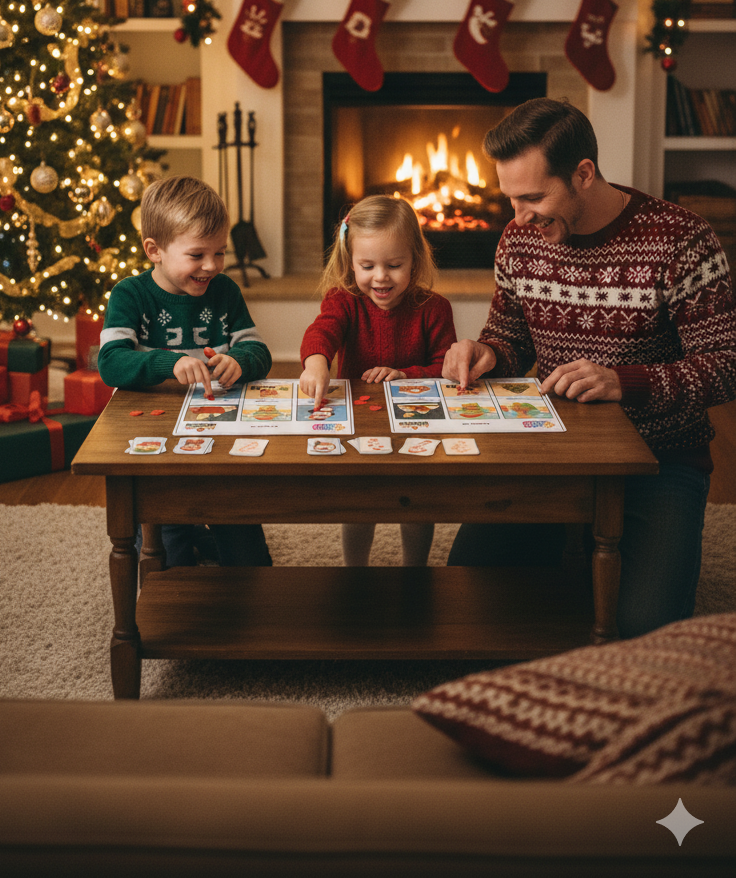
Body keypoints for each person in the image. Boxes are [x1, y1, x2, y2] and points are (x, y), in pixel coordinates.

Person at [442, 97, 736, 636]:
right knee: (468, 591)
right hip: (554, 448)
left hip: (658, 456)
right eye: (510, 198)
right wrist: (486, 352)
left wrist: (623, 382)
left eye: (533, 197)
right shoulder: (519, 237)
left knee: (643, 631)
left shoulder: (682, 239)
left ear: (583, 174)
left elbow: (725, 364)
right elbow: (509, 334)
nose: (519, 217)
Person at [98, 175, 272, 568]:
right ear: (154, 250)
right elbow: (110, 362)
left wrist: (239, 360)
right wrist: (169, 361)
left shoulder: (224, 290)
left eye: (220, 253)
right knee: (169, 568)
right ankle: (182, 531)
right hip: (156, 450)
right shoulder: (130, 294)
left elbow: (257, 350)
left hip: (222, 445)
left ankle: (209, 530)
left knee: (253, 563)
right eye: (197, 255)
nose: (211, 266)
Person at [300, 195, 456, 566]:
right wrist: (316, 363)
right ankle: (355, 570)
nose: (381, 277)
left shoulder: (435, 308)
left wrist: (405, 375)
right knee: (359, 502)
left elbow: (445, 367)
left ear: (415, 260)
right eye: (367, 265)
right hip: (359, 420)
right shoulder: (343, 300)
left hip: (417, 420)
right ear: (349, 262)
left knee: (416, 502)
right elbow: (322, 331)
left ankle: (414, 568)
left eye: (394, 265)